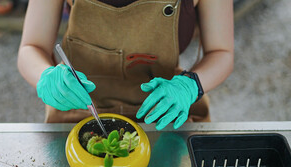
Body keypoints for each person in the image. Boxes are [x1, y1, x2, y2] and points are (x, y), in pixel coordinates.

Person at [17, 0, 234, 130]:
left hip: (164, 110)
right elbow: (31, 47)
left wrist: (190, 86)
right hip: (78, 106)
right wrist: (46, 77)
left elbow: (221, 53)